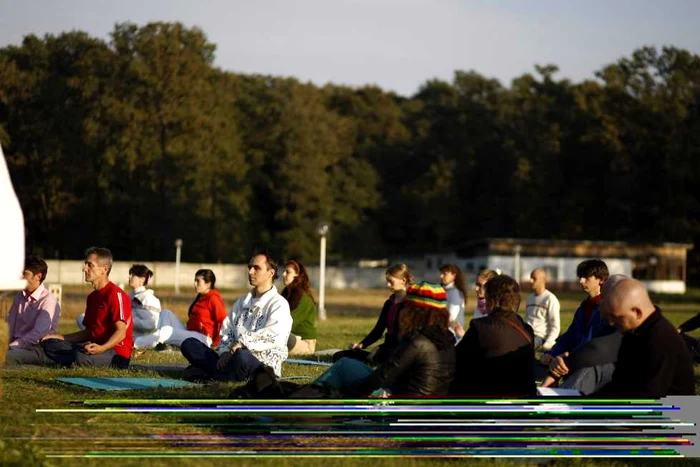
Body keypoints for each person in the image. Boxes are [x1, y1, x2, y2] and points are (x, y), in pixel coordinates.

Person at [290, 281, 456, 399]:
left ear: (417, 311)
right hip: (424, 402)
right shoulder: (447, 338)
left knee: (343, 367)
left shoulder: (417, 342)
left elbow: (382, 376)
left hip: (401, 405)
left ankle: (300, 402)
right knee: (348, 363)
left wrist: (350, 394)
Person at [181, 252, 292, 382]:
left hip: (259, 364)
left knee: (243, 357)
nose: (250, 271)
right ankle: (217, 374)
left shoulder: (279, 304)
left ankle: (208, 375)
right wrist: (223, 352)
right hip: (230, 359)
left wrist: (241, 345)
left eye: (256, 268)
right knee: (189, 344)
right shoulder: (242, 301)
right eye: (250, 267)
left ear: (271, 273)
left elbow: (272, 337)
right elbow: (228, 330)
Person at [590, 278, 694, 397]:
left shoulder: (662, 339)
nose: (611, 323)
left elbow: (646, 396)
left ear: (637, 313)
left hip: (678, 410)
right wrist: (583, 403)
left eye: (616, 317)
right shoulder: (634, 333)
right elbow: (619, 384)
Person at [40, 247, 133, 368]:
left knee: (79, 356)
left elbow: (121, 332)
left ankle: (72, 359)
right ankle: (72, 359)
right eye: (85, 265)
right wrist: (59, 337)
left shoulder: (115, 294)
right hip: (94, 348)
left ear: (104, 269)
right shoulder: (92, 297)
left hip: (115, 353)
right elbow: (89, 333)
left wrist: (102, 348)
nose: (84, 269)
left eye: (90, 265)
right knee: (50, 343)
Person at [451, 274, 536, 397]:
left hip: (489, 403)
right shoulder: (527, 330)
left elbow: (457, 361)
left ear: (493, 302)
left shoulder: (480, 327)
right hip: (521, 402)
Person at [540, 274, 627, 394]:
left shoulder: (643, 330)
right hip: (578, 363)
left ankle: (556, 403)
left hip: (619, 382)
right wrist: (555, 356)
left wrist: (564, 364)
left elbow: (598, 350)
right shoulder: (585, 309)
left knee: (592, 367)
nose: (581, 281)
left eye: (605, 298)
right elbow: (572, 337)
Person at [538, 259, 613, 372]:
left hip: (592, 366)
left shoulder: (608, 309)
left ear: (601, 280)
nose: (581, 281)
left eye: (586, 277)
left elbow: (595, 344)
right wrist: (552, 353)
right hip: (573, 362)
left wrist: (569, 359)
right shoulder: (583, 308)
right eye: (581, 277)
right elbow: (570, 335)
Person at [333, 263, 412, 365]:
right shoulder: (389, 303)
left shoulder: (411, 304)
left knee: (379, 355)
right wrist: (362, 345)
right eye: (387, 281)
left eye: (391, 281)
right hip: (387, 348)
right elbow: (378, 329)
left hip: (401, 350)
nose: (388, 285)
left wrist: (380, 349)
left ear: (403, 281)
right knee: (339, 356)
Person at [133, 269, 226, 350]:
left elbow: (223, 321)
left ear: (208, 284)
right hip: (190, 332)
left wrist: (217, 343)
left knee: (167, 331)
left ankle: (135, 343)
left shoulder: (213, 298)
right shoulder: (201, 297)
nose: (195, 284)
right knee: (166, 313)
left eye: (198, 281)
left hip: (204, 339)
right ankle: (164, 344)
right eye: (194, 280)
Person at [77, 264, 161, 338]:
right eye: (130, 274)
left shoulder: (148, 298)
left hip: (136, 336)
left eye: (133, 275)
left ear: (141, 280)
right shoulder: (130, 295)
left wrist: (123, 321)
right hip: (121, 328)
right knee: (82, 318)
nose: (129, 277)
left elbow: (151, 324)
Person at [5, 256, 61, 365]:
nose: (20, 277)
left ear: (38, 276)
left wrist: (12, 346)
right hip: (17, 345)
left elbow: (38, 335)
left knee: (5, 357)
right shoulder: (19, 296)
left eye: (25, 274)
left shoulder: (48, 300)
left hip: (37, 348)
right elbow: (9, 326)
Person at [281, 260, 317, 355]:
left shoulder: (304, 298)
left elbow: (289, 323)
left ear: (297, 275)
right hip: (290, 338)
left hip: (305, 344)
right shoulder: (286, 293)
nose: (283, 274)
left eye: (288, 272)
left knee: (276, 335)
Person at [524, 268, 561, 351]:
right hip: (526, 334)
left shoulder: (550, 299)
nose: (530, 281)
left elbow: (555, 326)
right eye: (530, 278)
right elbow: (526, 320)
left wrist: (547, 344)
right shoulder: (530, 298)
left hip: (539, 337)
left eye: (534, 278)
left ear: (543, 280)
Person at [439, 264, 468, 339]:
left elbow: (451, 317)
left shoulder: (455, 293)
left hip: (453, 336)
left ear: (454, 275)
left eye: (444, 274)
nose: (441, 276)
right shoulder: (443, 290)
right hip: (444, 334)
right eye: (441, 273)